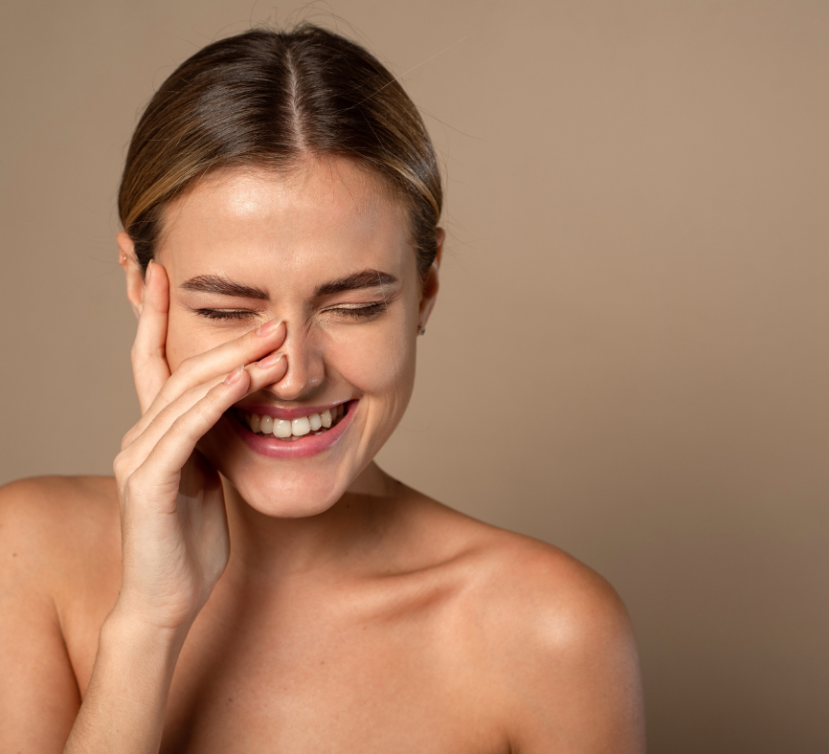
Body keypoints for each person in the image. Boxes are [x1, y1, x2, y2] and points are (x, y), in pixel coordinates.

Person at [0, 23, 645, 752]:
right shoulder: (25, 558)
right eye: (228, 311)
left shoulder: (547, 630)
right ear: (138, 284)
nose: (297, 374)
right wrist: (147, 626)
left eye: (354, 307)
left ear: (425, 290)